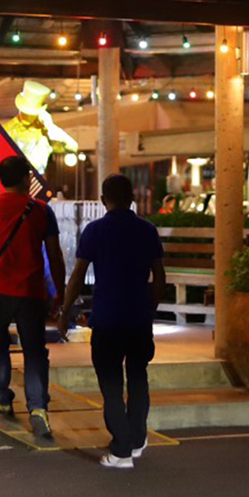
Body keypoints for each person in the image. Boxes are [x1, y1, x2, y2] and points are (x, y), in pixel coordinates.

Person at [60, 174, 164, 469]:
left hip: (107, 318)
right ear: (132, 198)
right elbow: (160, 275)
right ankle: (137, 440)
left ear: (103, 200)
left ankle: (121, 451)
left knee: (111, 384)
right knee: (138, 378)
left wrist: (65, 311)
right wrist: (151, 307)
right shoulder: (147, 230)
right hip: (138, 317)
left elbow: (78, 275)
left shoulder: (95, 231)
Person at [0, 155, 65, 441]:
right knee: (35, 351)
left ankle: (1, 397)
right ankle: (38, 408)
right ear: (25, 178)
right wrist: (60, 291)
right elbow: (55, 254)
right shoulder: (42, 210)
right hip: (31, 292)